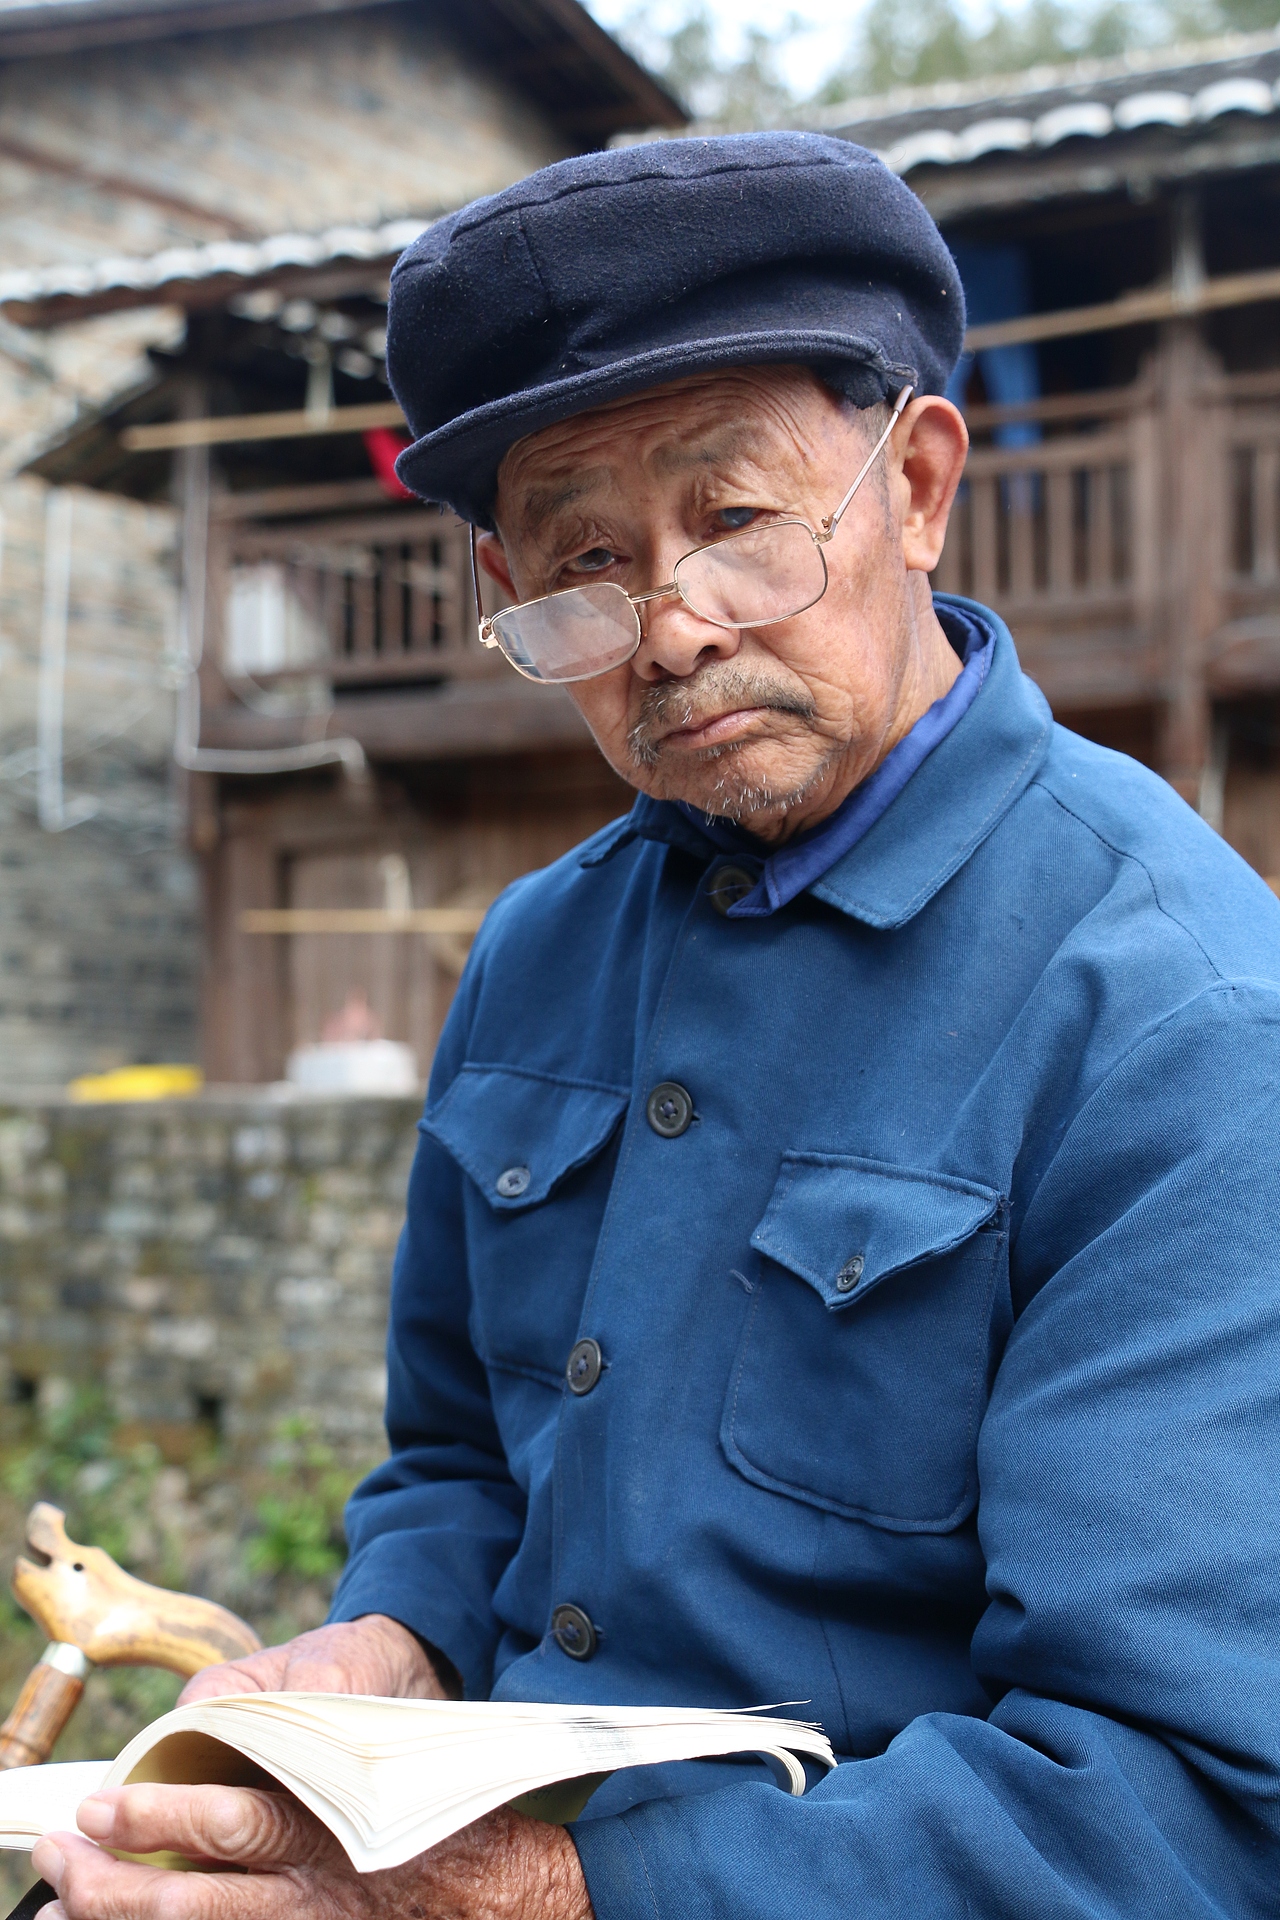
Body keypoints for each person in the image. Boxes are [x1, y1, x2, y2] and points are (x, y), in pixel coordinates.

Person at [35, 133, 1280, 1920]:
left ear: (919, 485)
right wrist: (392, 1636)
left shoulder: (1180, 1017)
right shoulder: (541, 948)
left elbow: (1187, 1816)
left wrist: (527, 1895)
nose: (673, 630)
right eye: (585, 567)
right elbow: (462, 1458)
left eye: (738, 520)